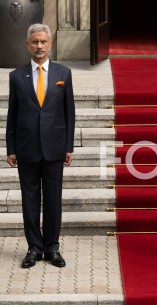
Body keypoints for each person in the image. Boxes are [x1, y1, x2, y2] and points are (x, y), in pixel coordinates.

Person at [6, 24, 76, 268]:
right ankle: (34, 248)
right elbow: (12, 114)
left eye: (43, 42)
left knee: (54, 200)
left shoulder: (63, 74)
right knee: (30, 200)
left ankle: (52, 248)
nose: (39, 46)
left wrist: (69, 147)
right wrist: (10, 148)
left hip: (55, 149)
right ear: (28, 45)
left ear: (50, 44)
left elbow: (69, 114)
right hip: (26, 149)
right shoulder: (16, 76)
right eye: (34, 42)